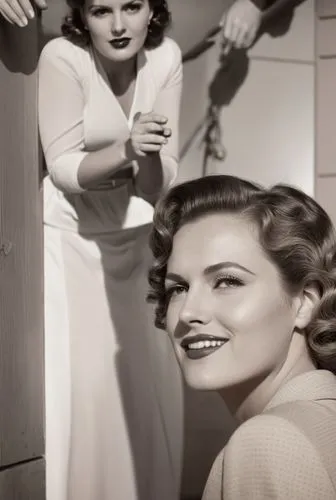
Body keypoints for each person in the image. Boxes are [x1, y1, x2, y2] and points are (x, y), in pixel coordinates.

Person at [147, 174, 336, 499]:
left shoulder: (269, 441)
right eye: (179, 288)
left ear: (304, 303)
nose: (187, 313)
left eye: (227, 281)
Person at [38, 1, 183, 499]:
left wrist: (143, 155)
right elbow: (62, 168)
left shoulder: (166, 59)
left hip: (137, 239)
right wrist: (126, 147)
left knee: (142, 390)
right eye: (102, 11)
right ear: (82, 15)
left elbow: (152, 189)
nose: (119, 26)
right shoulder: (62, 57)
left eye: (131, 7)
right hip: (69, 241)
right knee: (80, 392)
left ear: (152, 10)